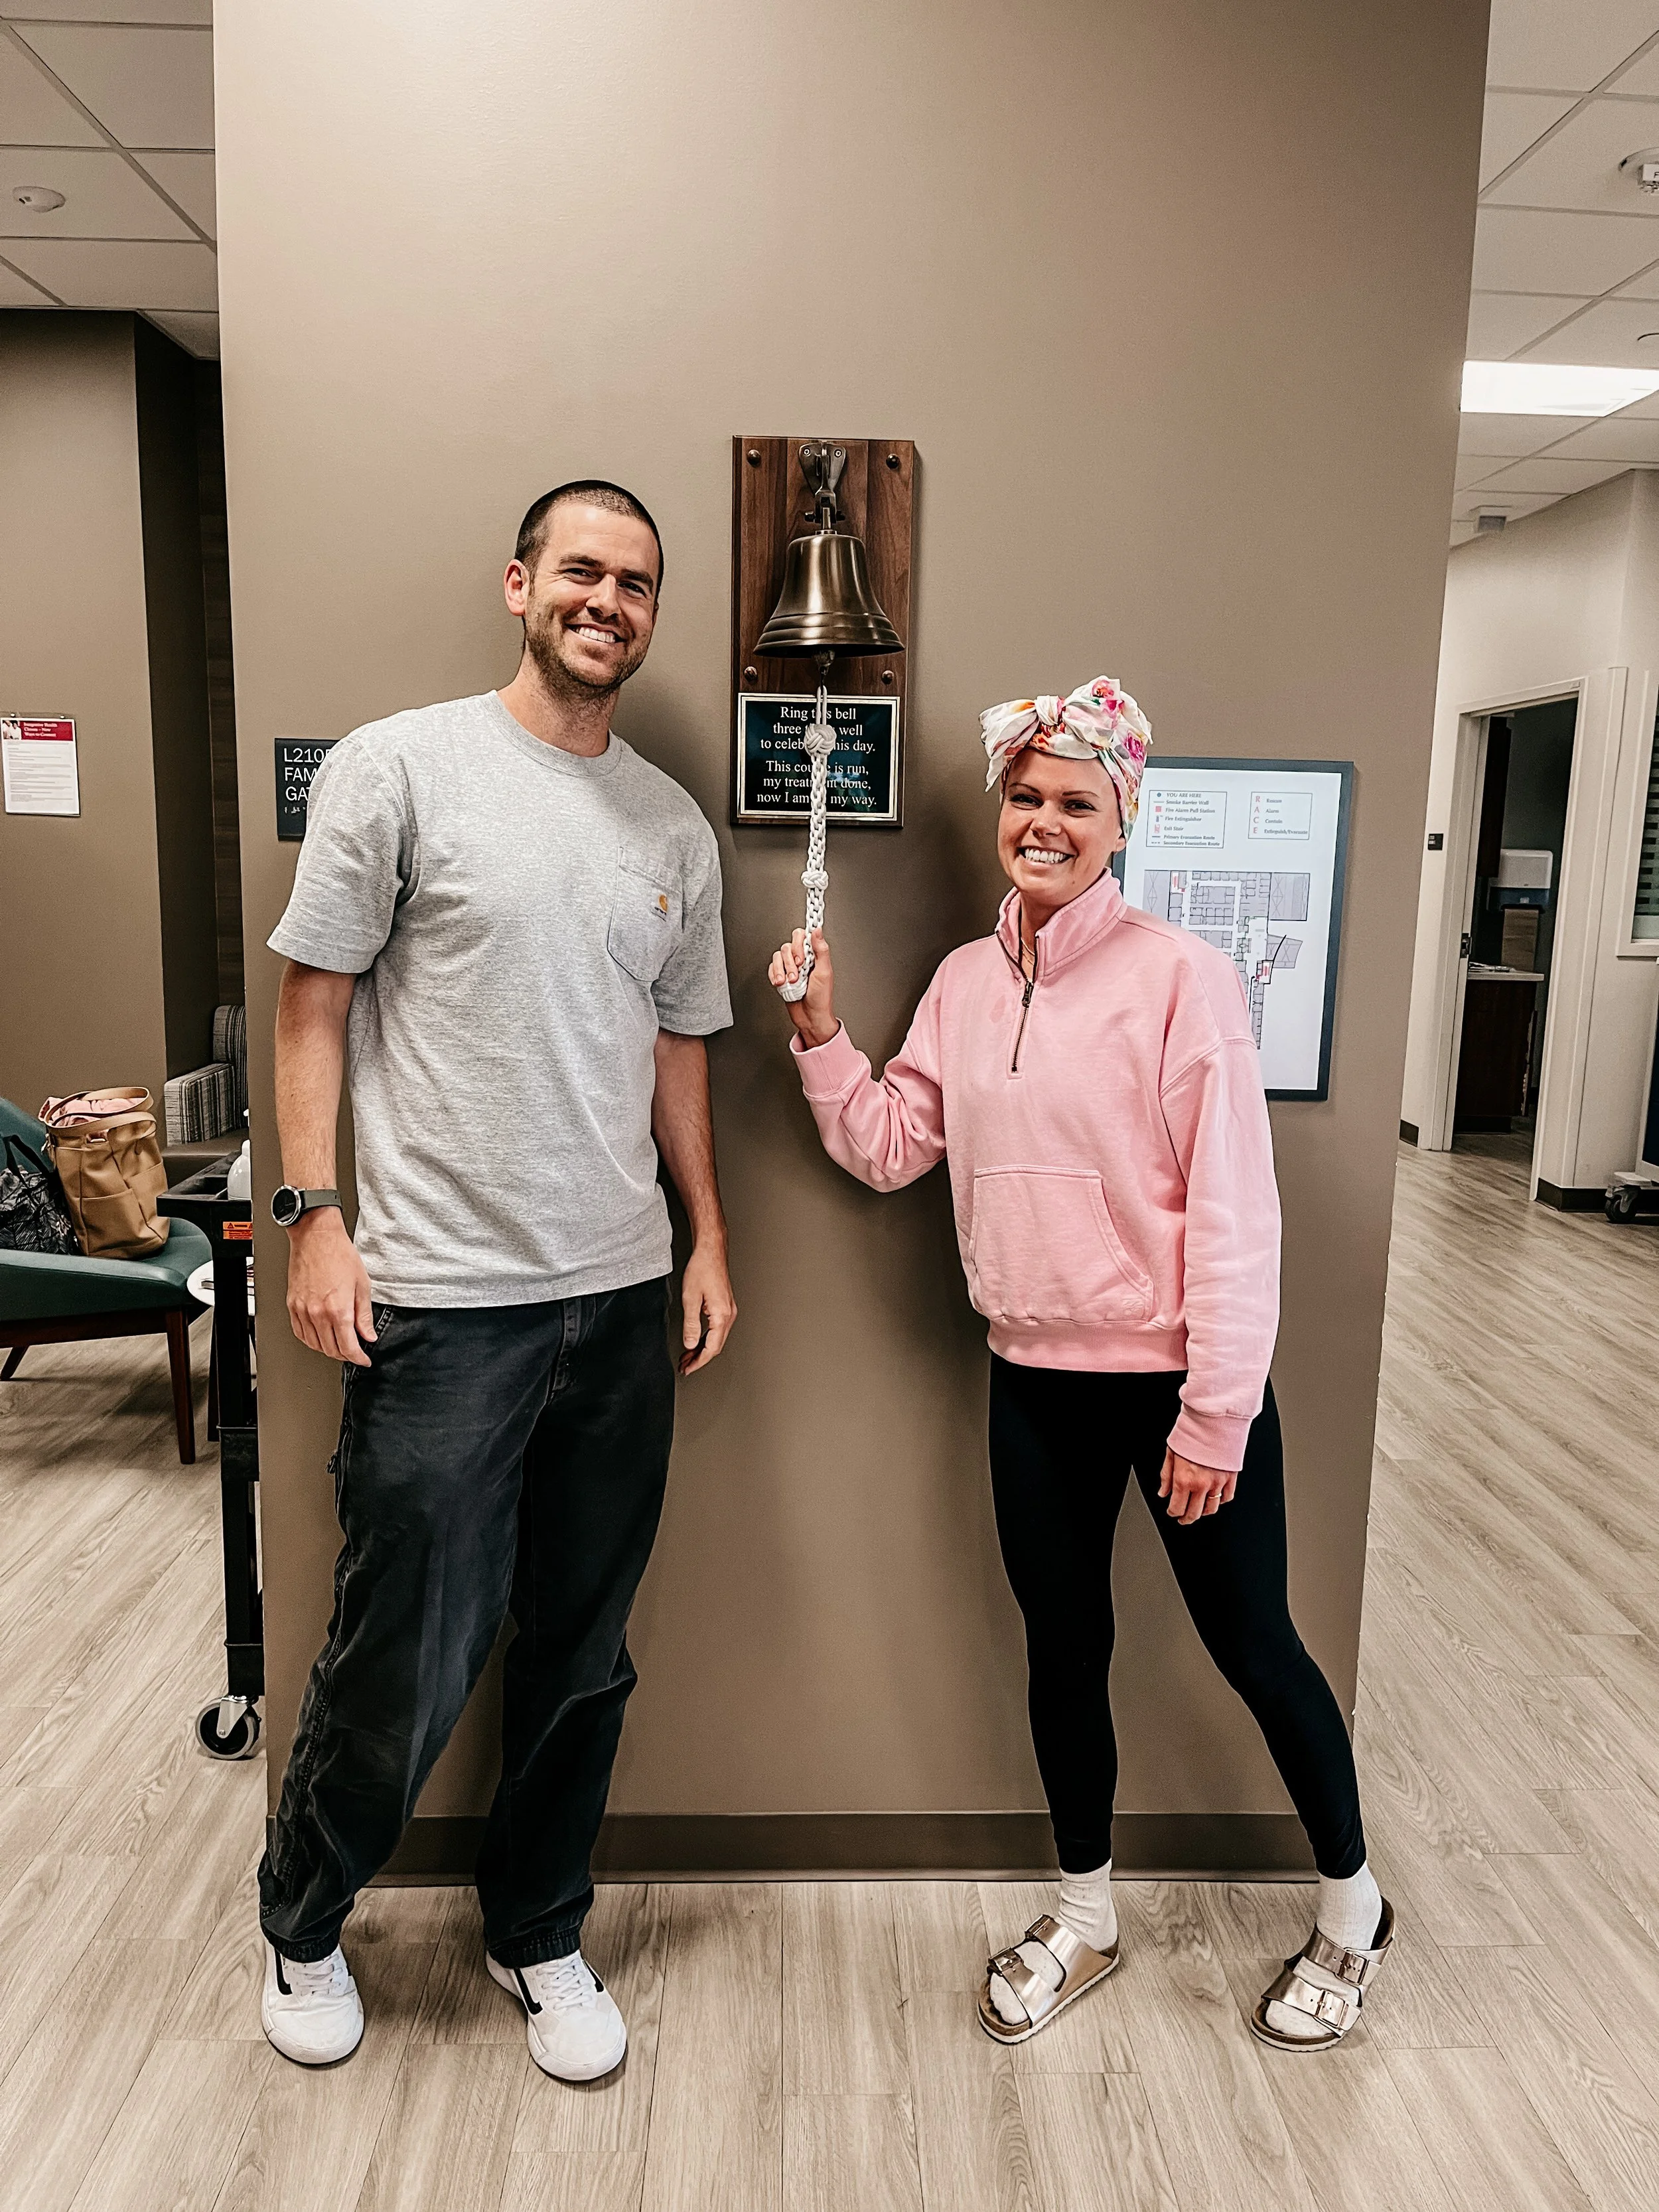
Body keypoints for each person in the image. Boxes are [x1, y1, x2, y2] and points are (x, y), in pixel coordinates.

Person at [768, 678, 1392, 2053]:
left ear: (1121, 818)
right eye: (1026, 796)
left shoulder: (1182, 979)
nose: (1043, 822)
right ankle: (1085, 1910)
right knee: (1064, 1651)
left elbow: (1234, 1214)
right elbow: (888, 1146)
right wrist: (820, 1037)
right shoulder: (957, 980)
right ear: (1001, 807)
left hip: (1175, 1387)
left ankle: (1351, 1909)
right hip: (1031, 1384)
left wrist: (1215, 1416)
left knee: (1253, 1647)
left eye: (1075, 801)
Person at [257, 480, 737, 2082]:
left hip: (616, 1301)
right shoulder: (401, 766)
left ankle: (536, 1928)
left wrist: (707, 1237)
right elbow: (310, 1005)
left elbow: (678, 1054)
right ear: (520, 584)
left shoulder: (670, 824)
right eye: (583, 570)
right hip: (440, 1302)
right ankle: (306, 1915)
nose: (609, 598)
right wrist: (312, 1214)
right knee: (405, 1645)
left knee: (582, 1650)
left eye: (638, 582)